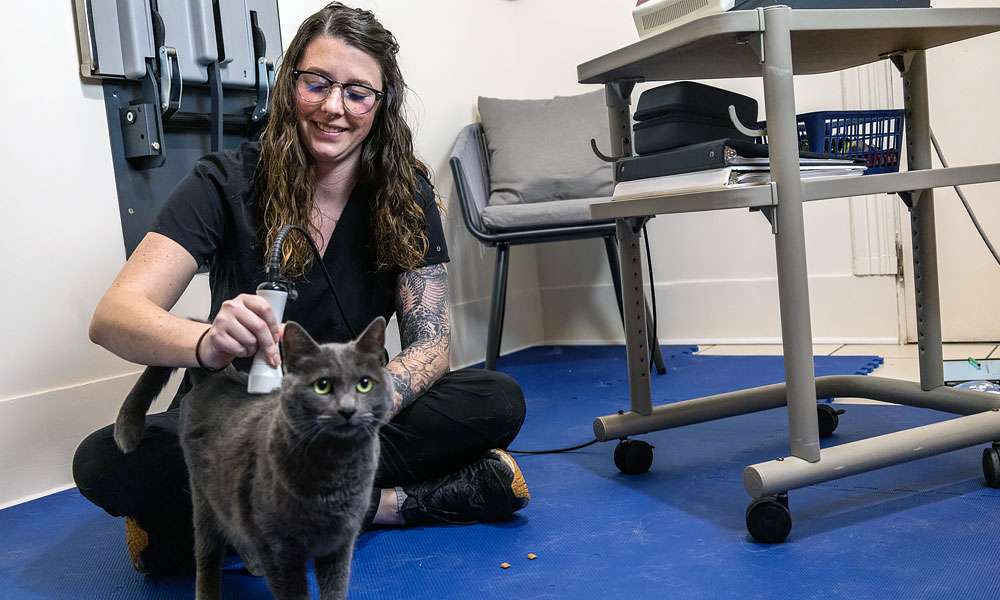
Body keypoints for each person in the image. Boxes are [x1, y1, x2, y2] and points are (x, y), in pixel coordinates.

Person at [73, 2, 529, 575]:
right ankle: (389, 505)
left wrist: (372, 403)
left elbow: (433, 342)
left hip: (353, 412)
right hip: (246, 425)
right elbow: (115, 315)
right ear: (291, 83)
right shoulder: (225, 181)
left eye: (358, 92)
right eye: (317, 83)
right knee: (103, 462)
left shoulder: (404, 194)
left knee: (496, 400)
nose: (334, 107)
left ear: (381, 105)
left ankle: (241, 527)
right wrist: (204, 342)